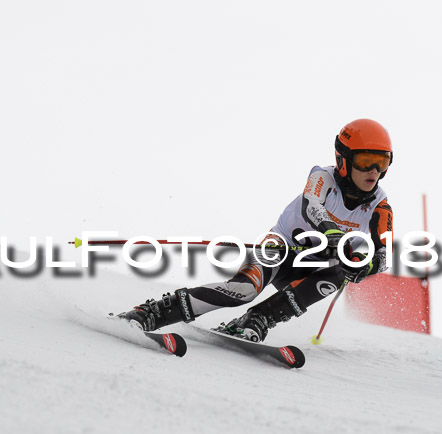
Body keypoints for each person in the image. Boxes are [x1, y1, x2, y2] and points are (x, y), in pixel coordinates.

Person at [118, 118, 394, 342]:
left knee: (335, 275)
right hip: (280, 248)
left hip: (310, 272)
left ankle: (257, 320)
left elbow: (383, 256)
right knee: (244, 289)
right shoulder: (323, 177)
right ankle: (154, 312)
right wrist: (332, 233)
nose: (373, 171)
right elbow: (312, 206)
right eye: (365, 161)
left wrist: (363, 265)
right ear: (344, 160)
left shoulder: (379, 205)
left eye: (381, 163)